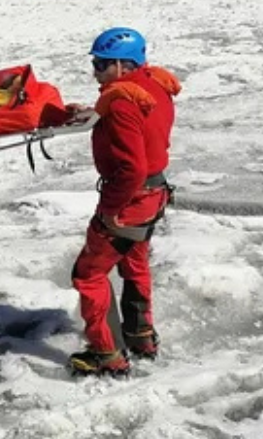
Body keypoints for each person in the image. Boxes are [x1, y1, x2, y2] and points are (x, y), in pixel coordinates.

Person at [68, 27, 181, 377]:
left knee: (89, 274)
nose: (95, 71)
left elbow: (131, 167)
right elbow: (140, 121)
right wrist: (93, 112)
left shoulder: (120, 102)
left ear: (121, 64)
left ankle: (106, 353)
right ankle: (140, 335)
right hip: (155, 194)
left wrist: (110, 212)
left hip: (131, 200)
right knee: (134, 263)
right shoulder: (154, 85)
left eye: (101, 64)